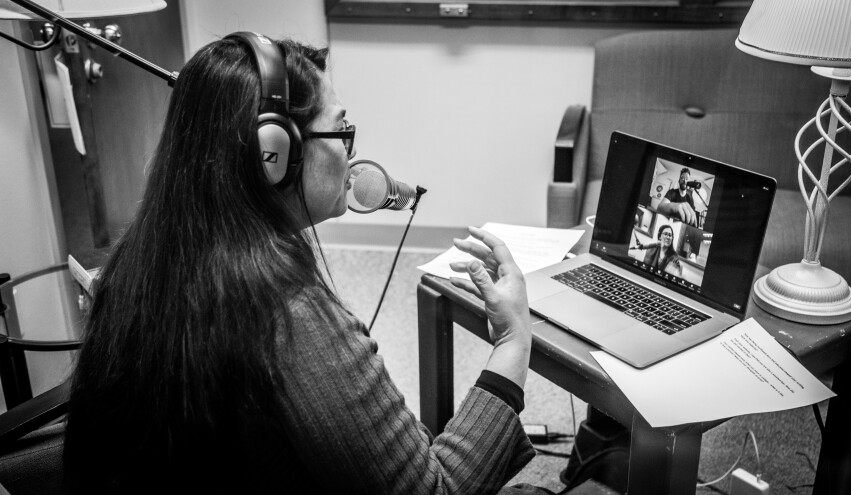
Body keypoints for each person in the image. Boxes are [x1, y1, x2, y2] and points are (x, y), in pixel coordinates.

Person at [62, 33, 558, 494]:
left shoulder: (140, 259)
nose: (353, 149)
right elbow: (436, 489)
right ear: (274, 154)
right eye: (342, 129)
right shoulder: (285, 312)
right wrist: (513, 342)